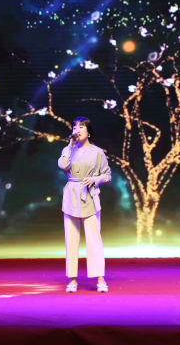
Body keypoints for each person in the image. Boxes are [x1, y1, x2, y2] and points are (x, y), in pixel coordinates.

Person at [57, 117, 111, 293]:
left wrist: (95, 179)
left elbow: (107, 174)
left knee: (94, 239)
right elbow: (63, 165)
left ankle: (100, 278)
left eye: (81, 127)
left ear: (88, 131)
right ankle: (72, 279)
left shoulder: (98, 152)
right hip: (71, 196)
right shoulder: (68, 150)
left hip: (89, 196)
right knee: (71, 239)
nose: (77, 130)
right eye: (75, 127)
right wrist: (70, 145)